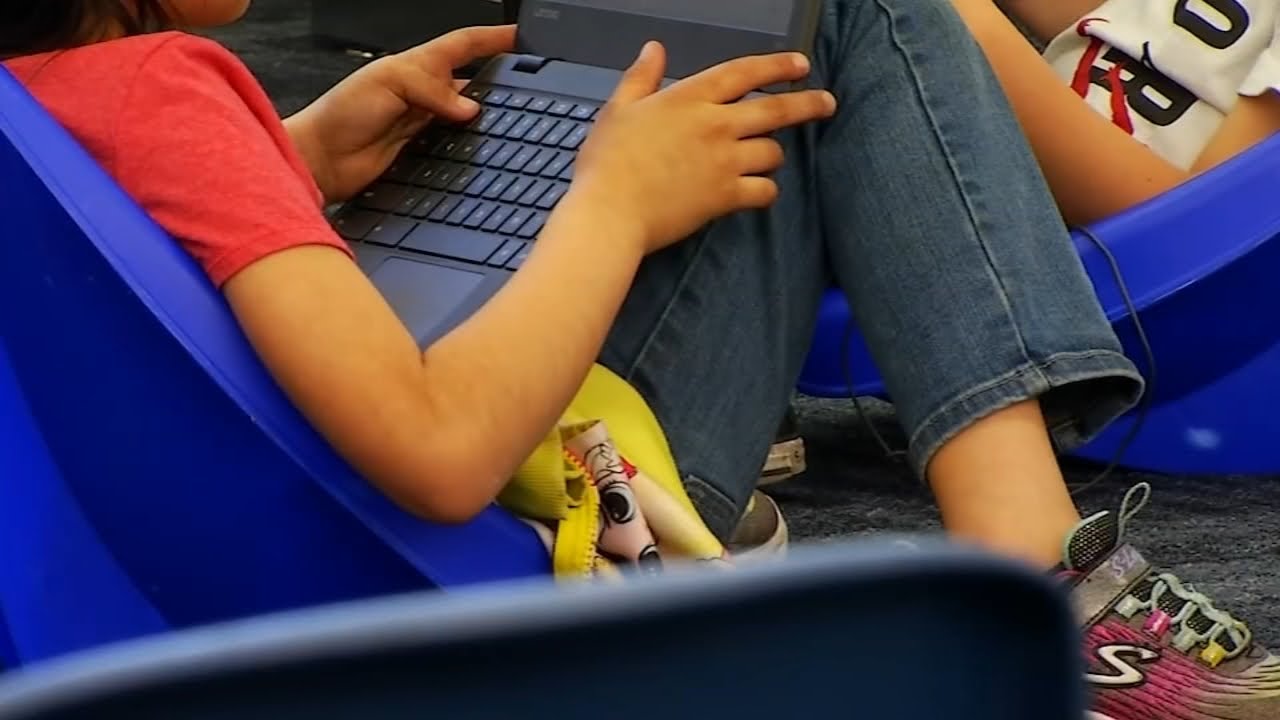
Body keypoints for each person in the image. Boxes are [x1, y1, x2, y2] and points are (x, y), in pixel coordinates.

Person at [2, 1, 1274, 716]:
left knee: (752, 47)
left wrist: (290, 165)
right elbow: (441, 456)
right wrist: (609, 206)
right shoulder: (170, 88)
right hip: (498, 561)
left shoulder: (59, 90)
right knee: (841, 14)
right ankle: (1042, 570)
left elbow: (129, 285)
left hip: (268, 539)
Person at [951, 0, 1280, 224]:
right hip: (1003, 163)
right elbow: (1116, 25)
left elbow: (1195, 227)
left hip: (1078, 271)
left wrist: (969, 26)